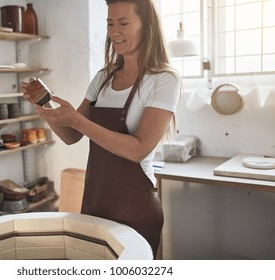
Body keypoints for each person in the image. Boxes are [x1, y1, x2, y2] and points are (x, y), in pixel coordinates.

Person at [21, 0, 180, 259]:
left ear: (147, 26)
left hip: (136, 207)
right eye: (109, 23)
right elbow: (71, 136)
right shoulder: (103, 78)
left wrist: (77, 120)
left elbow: (139, 149)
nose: (114, 31)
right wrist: (43, 104)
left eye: (124, 23)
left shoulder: (163, 80)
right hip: (97, 202)